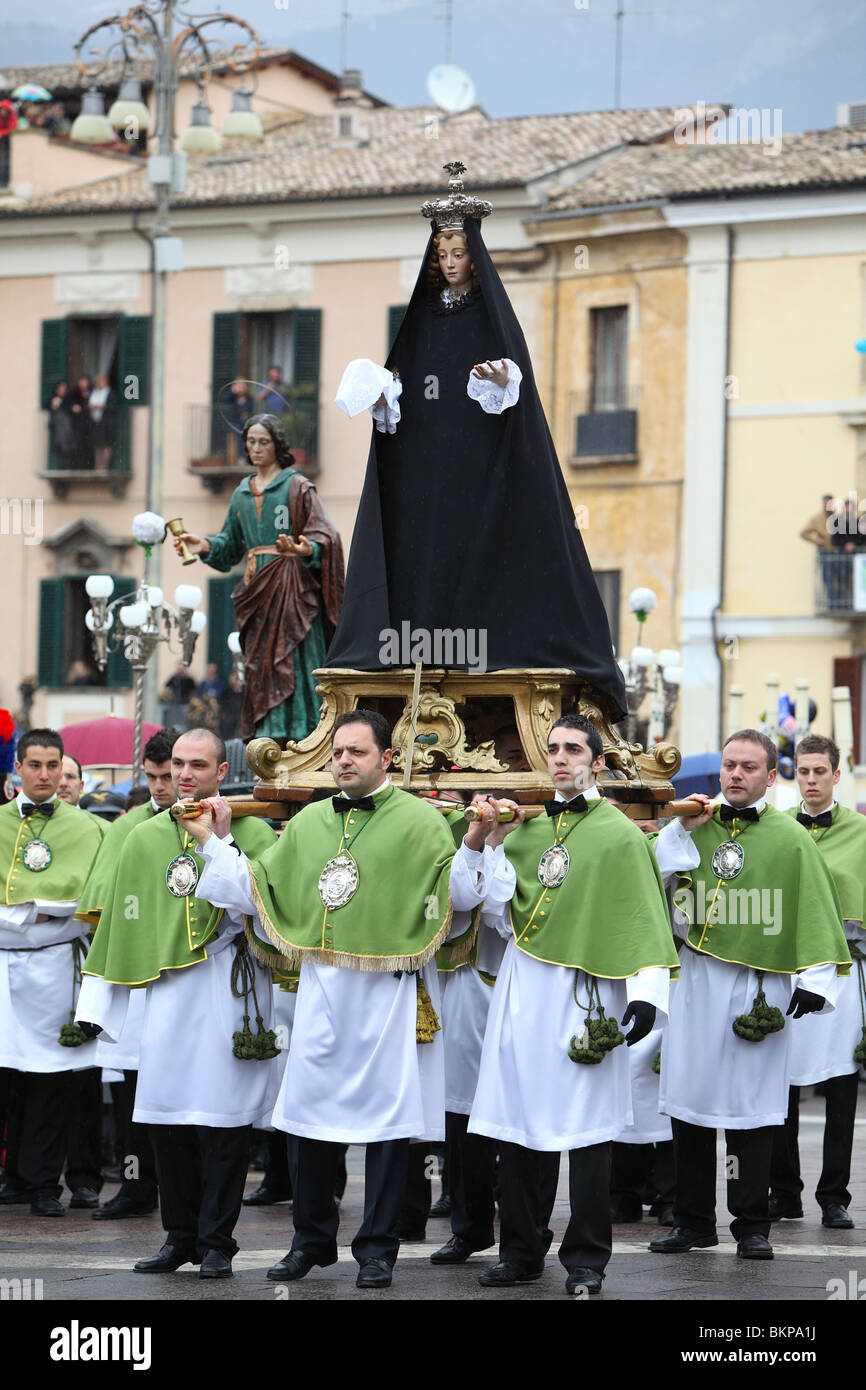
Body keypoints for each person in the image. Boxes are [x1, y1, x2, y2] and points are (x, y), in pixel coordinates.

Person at [191, 708, 484, 1289]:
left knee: (384, 1130)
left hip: (387, 995)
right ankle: (312, 1241)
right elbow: (261, 891)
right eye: (339, 752)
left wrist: (474, 843)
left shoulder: (421, 823)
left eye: (357, 751)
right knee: (308, 1121)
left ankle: (377, 1248)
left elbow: (456, 902)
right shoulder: (308, 823)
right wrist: (214, 844)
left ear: (386, 758)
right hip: (322, 989)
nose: (344, 760)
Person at [327, 168, 625, 723]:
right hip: (427, 467)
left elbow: (518, 382)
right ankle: (420, 646)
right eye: (441, 253)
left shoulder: (492, 319)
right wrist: (385, 390)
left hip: (479, 462)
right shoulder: (419, 322)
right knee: (425, 543)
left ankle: (483, 644)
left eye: (458, 252)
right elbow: (406, 387)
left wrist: (499, 382)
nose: (449, 262)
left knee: (476, 544)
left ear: (474, 258)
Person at [464, 713, 679, 1294]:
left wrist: (647, 995)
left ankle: (586, 1259)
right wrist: (492, 847)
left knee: (586, 1134)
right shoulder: (527, 828)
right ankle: (521, 1251)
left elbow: (643, 915)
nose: (560, 758)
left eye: (573, 749)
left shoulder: (620, 834)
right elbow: (495, 913)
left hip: (587, 997)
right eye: (553, 749)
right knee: (518, 1126)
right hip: (524, 989)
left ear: (598, 762)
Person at [76, 729, 279, 1278]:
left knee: (223, 1125)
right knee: (167, 1124)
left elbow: (250, 906)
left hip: (225, 993)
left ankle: (217, 1242)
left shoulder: (254, 831)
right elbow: (120, 920)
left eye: (197, 765)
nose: (185, 775)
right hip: (165, 998)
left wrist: (216, 841)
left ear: (221, 771)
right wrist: (99, 1001)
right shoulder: (144, 837)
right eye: (176, 765)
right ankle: (178, 1236)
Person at [649, 729, 851, 1262]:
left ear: (769, 774)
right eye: (729, 765)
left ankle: (752, 1222)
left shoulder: (790, 837)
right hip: (696, 978)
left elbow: (815, 908)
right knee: (689, 1104)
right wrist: (681, 829)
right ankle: (692, 1221)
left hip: (755, 989)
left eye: (748, 767)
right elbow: (649, 875)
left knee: (754, 1109)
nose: (735, 775)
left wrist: (813, 980)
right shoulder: (695, 823)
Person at [172, 413, 344, 742]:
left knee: (294, 652)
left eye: (263, 441)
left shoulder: (297, 487)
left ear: (278, 445)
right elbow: (229, 546)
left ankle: (303, 728)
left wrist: (304, 549)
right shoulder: (241, 494)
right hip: (257, 588)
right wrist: (204, 544)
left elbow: (327, 535)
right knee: (261, 660)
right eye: (251, 441)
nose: (256, 448)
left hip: (292, 585)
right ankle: (270, 727)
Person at [75, 727, 179, 1222]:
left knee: (180, 1093)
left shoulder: (218, 824)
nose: (161, 787)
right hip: (135, 981)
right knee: (131, 1093)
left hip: (185, 979)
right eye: (153, 777)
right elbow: (104, 904)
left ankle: (186, 1193)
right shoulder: (129, 826)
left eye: (168, 776)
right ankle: (136, 1185)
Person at [0, 729, 103, 1216]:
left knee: (50, 1078)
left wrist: (41, 913)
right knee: (7, 1076)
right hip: (1, 965)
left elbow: (92, 899)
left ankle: (44, 1183)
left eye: (53, 766)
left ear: (64, 769)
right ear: (18, 768)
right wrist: (30, 914)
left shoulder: (89, 828)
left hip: (56, 967)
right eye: (35, 765)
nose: (44, 775)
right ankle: (13, 1177)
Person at [770, 734, 866, 1230]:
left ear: (835, 774)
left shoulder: (863, 834)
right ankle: (784, 1192)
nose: (810, 780)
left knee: (840, 1083)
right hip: (786, 971)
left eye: (818, 772)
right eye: (802, 772)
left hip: (845, 974)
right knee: (779, 1082)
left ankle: (835, 1195)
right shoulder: (775, 829)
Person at [88, 372, 116, 472]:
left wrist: (101, 406)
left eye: (102, 381)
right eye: (98, 382)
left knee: (106, 444)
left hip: (107, 422)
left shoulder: (110, 393)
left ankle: (105, 466)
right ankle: (98, 466)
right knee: (97, 445)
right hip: (96, 422)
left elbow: (113, 406)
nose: (100, 383)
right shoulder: (94, 393)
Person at [48, 382, 76, 468]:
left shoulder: (69, 401)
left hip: (67, 431)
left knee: (67, 450)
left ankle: (66, 468)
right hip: (58, 431)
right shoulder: (53, 399)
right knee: (60, 450)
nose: (62, 391)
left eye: (64, 389)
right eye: (60, 389)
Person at [68, 375, 93, 468]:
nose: (83, 384)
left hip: (89, 423)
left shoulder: (92, 392)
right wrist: (73, 406)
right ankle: (77, 465)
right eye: (82, 382)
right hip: (77, 423)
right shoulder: (74, 393)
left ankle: (88, 465)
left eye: (85, 382)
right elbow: (69, 403)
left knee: (87, 445)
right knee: (77, 445)